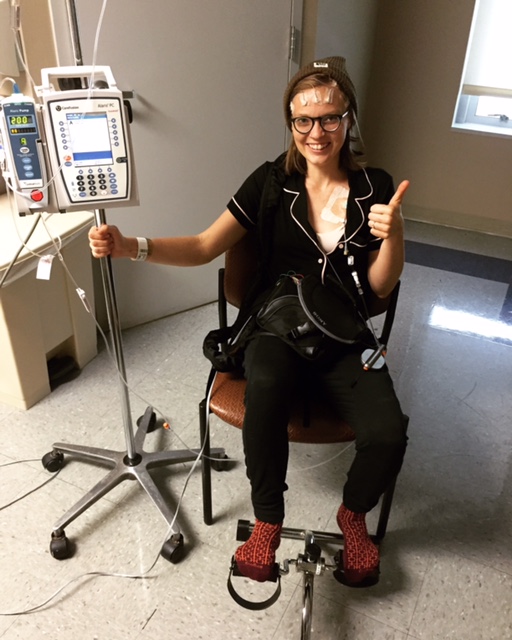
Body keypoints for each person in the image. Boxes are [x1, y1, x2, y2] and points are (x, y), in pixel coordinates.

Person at [89, 56, 409, 588]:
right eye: (303, 120)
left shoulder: (375, 186)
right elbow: (201, 246)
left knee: (388, 432)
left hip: (344, 333)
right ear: (290, 123)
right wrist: (131, 246)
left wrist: (394, 235)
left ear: (348, 118)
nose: (317, 131)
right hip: (275, 327)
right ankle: (267, 520)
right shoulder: (269, 183)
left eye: (330, 117)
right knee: (264, 390)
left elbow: (378, 287)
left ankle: (353, 515)